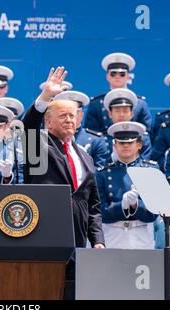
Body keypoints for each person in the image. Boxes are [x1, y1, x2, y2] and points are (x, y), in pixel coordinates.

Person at [22, 67, 105, 283]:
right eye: (63, 116)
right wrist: (46, 96)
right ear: (48, 122)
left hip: (77, 245)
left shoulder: (86, 158)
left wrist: (97, 240)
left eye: (73, 115)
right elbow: (27, 128)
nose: (69, 120)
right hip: (43, 238)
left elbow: (93, 205)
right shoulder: (38, 146)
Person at [97, 121, 158, 249]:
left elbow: (153, 214)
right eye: (121, 142)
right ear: (114, 145)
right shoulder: (103, 173)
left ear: (139, 144)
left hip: (141, 232)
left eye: (130, 142)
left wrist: (136, 206)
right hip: (113, 233)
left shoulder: (151, 170)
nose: (125, 146)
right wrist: (122, 206)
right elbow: (100, 212)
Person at [84, 52, 152, 133]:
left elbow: (146, 133)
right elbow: (91, 133)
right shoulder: (96, 104)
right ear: (107, 76)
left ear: (128, 76)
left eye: (122, 74)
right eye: (113, 74)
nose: (117, 77)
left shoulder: (140, 103)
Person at [53, 90, 109, 168]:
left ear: (81, 115)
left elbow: (100, 173)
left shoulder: (96, 141)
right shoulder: (48, 139)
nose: (68, 118)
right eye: (64, 113)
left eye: (73, 113)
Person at [102, 88, 152, 160]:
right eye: (117, 111)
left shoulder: (143, 139)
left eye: (125, 111)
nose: (121, 115)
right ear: (110, 114)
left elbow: (145, 165)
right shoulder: (102, 140)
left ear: (132, 114)